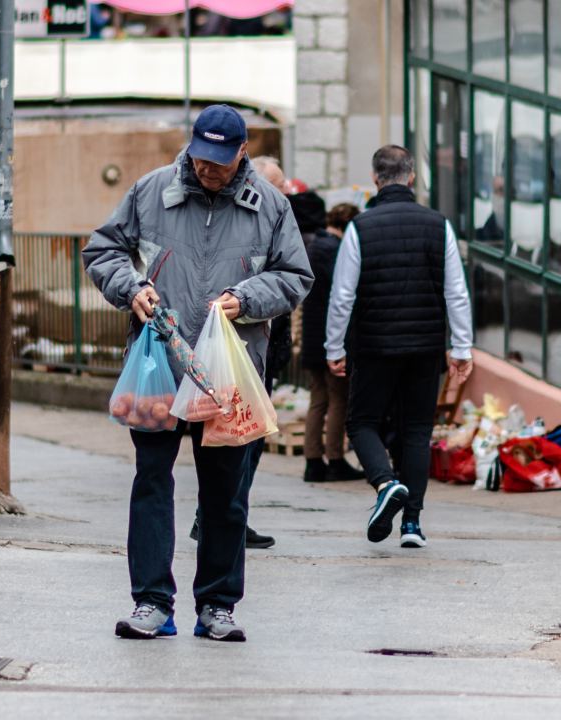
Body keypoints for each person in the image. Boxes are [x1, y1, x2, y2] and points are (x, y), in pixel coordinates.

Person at [83, 105, 312, 641]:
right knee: (151, 483)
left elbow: (295, 275)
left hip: (229, 374)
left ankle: (217, 606)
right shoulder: (151, 190)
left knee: (226, 495)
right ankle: (151, 603)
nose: (208, 169)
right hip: (159, 366)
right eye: (201, 158)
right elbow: (103, 250)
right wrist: (132, 288)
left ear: (243, 152)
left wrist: (246, 298)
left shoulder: (271, 205)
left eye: (220, 161)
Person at [325, 145, 474, 548]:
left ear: (375, 178)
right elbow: (456, 292)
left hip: (375, 345)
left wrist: (334, 347)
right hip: (426, 347)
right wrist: (462, 347)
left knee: (361, 422)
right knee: (417, 432)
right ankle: (412, 524)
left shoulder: (360, 227)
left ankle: (385, 482)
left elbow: (343, 295)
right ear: (411, 177)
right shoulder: (439, 224)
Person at [188, 155, 292, 551]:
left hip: (261, 352)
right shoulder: (246, 218)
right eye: (277, 185)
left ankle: (227, 515)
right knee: (236, 440)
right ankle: (219, 516)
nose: (284, 192)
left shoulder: (277, 219)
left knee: (248, 439)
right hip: (234, 356)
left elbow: (290, 279)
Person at [300, 202, 366, 483]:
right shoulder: (335, 250)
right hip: (331, 337)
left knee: (318, 399)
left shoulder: (314, 246)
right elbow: (344, 294)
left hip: (312, 336)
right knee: (339, 398)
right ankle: (335, 459)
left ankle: (313, 460)